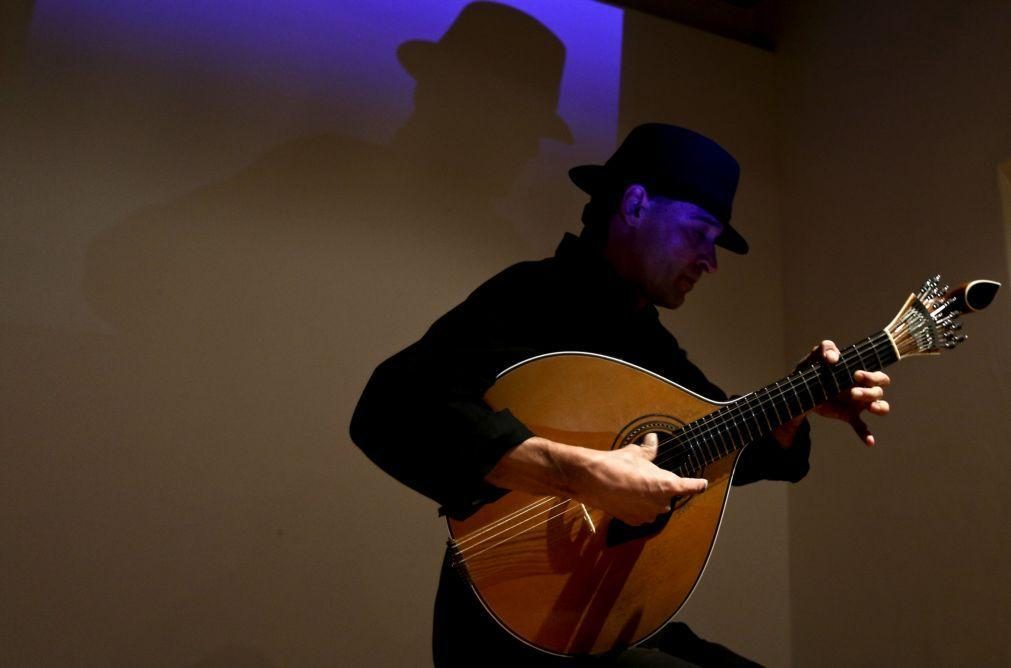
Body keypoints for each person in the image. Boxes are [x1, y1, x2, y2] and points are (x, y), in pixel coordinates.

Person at [350, 123, 891, 666]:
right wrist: (578, 472)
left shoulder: (648, 339)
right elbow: (391, 405)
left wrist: (793, 409)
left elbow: (712, 432)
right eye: (699, 232)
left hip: (607, 625)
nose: (711, 260)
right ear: (634, 205)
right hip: (507, 629)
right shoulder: (530, 295)